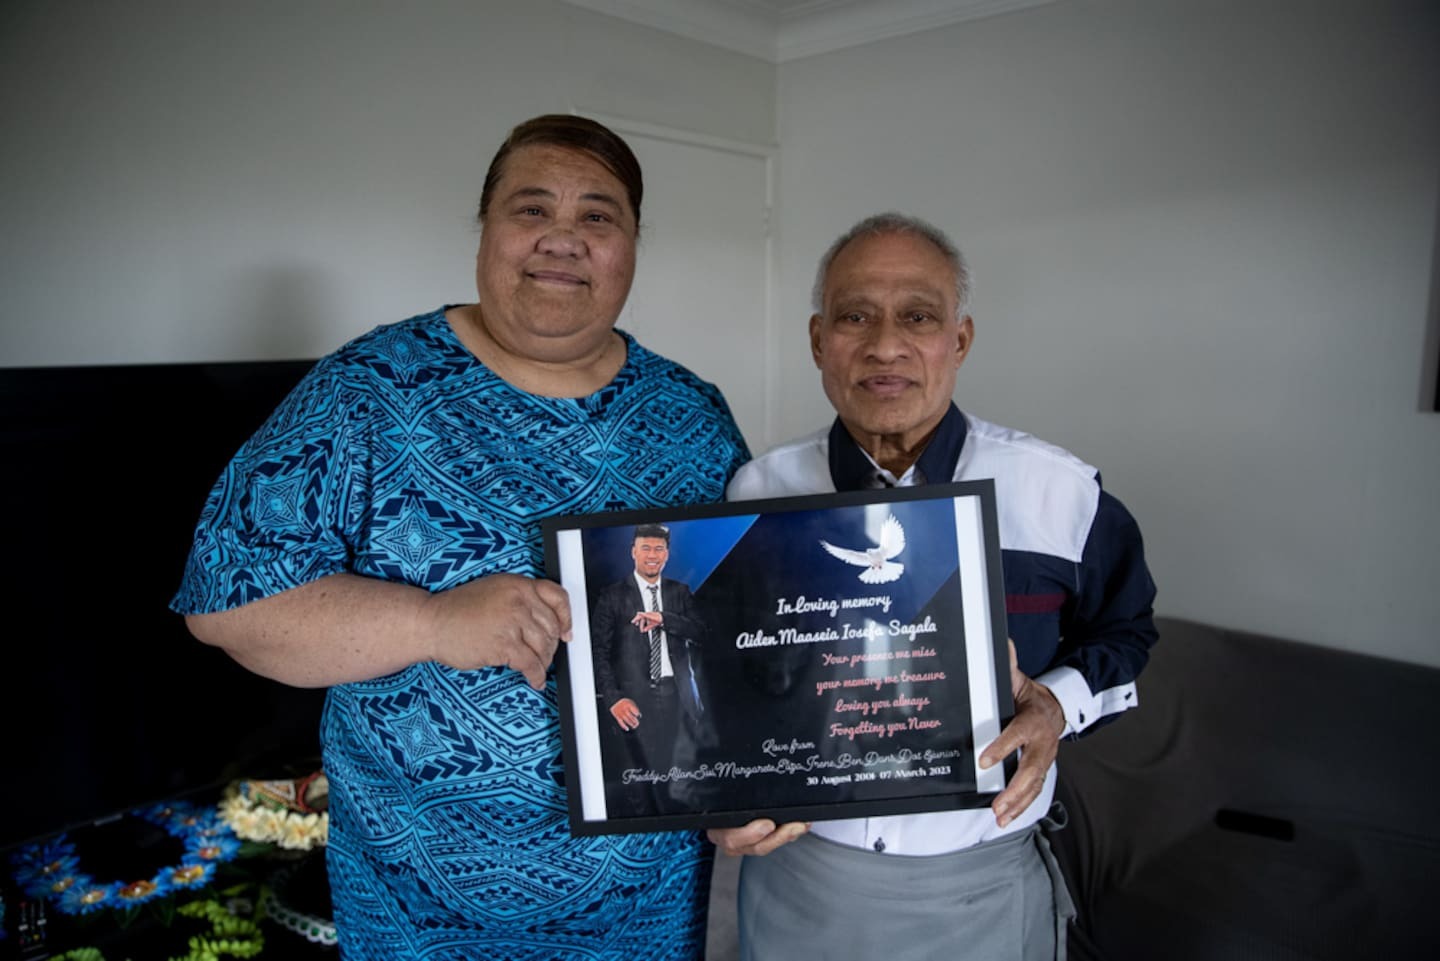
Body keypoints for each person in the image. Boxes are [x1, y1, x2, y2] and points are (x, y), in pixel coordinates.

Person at [170, 114, 750, 960]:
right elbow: (227, 602)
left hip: (644, 909)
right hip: (419, 914)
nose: (563, 238)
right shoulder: (368, 392)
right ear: (485, 228)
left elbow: (738, 628)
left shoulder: (692, 416)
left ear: (631, 245)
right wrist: (433, 621)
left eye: (598, 215)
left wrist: (758, 779)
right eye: (531, 208)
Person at [709, 212, 1158, 961]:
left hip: (982, 889)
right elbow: (724, 676)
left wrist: (1056, 706)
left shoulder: (1058, 493)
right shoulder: (756, 494)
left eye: (917, 317)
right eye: (856, 316)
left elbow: (1127, 631)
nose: (885, 346)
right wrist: (715, 790)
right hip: (797, 882)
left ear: (960, 339)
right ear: (818, 340)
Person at [590, 523, 710, 817]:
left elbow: (702, 633)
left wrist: (664, 619)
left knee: (681, 781)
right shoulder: (612, 596)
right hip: (634, 701)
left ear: (667, 554)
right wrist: (614, 698)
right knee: (640, 785)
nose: (652, 555)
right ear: (633, 552)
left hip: (679, 698)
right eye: (646, 548)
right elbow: (597, 653)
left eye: (659, 549)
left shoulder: (679, 592)